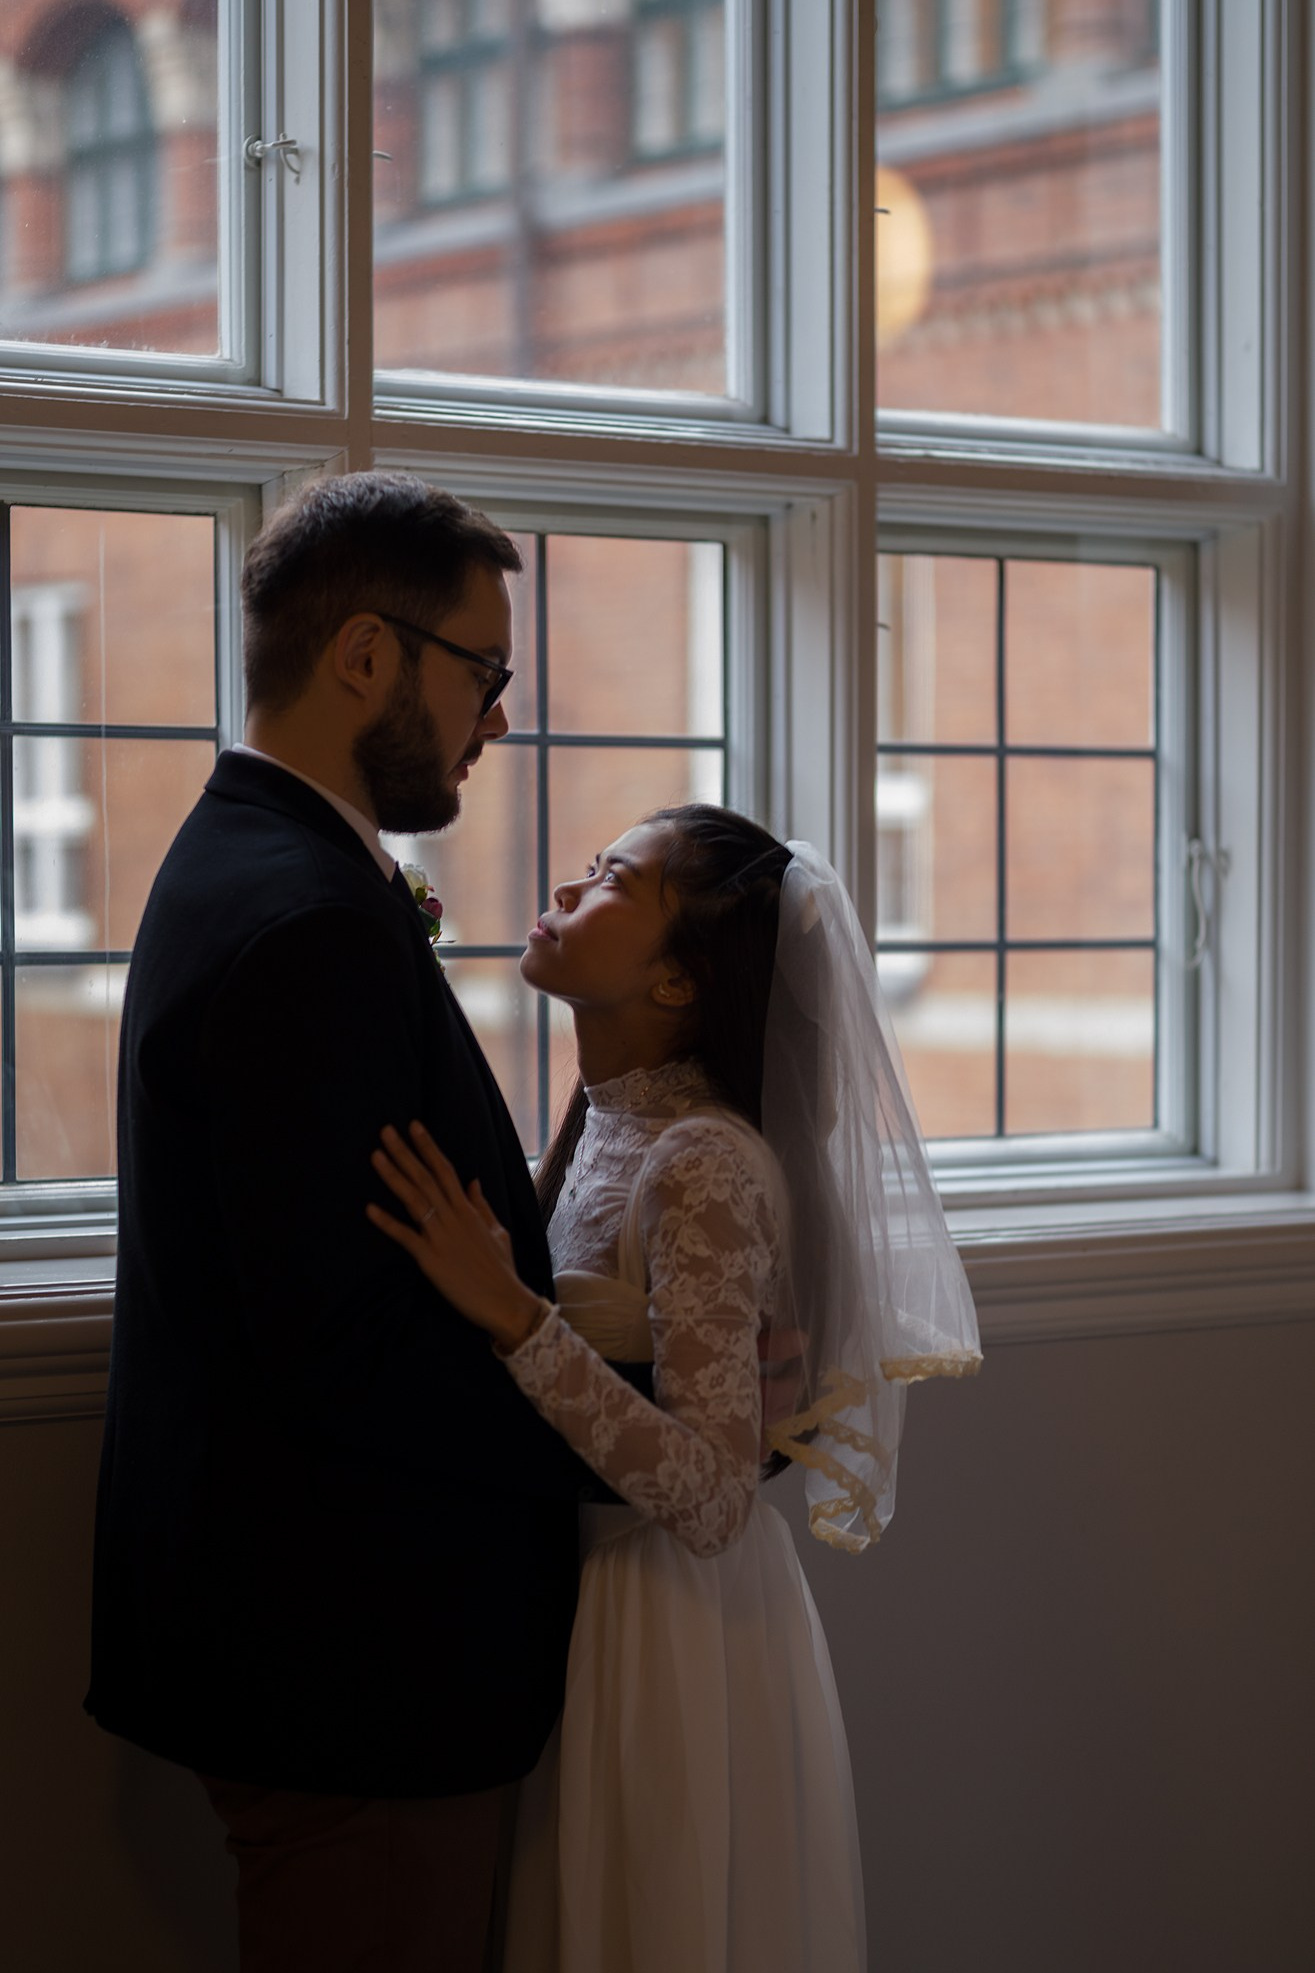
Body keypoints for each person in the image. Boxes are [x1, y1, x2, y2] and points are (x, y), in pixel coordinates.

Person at [85, 471, 632, 1973]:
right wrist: (645, 1433)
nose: (497, 719)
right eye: (483, 671)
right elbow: (351, 1350)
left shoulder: (259, 855)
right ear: (368, 655)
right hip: (354, 1654)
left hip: (320, 1634)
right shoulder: (308, 920)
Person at [370, 803, 983, 1973]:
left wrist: (512, 1314)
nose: (567, 886)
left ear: (674, 982)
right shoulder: (602, 1119)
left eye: (611, 879)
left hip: (661, 1625)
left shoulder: (700, 1160)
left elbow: (712, 1496)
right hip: (579, 1596)